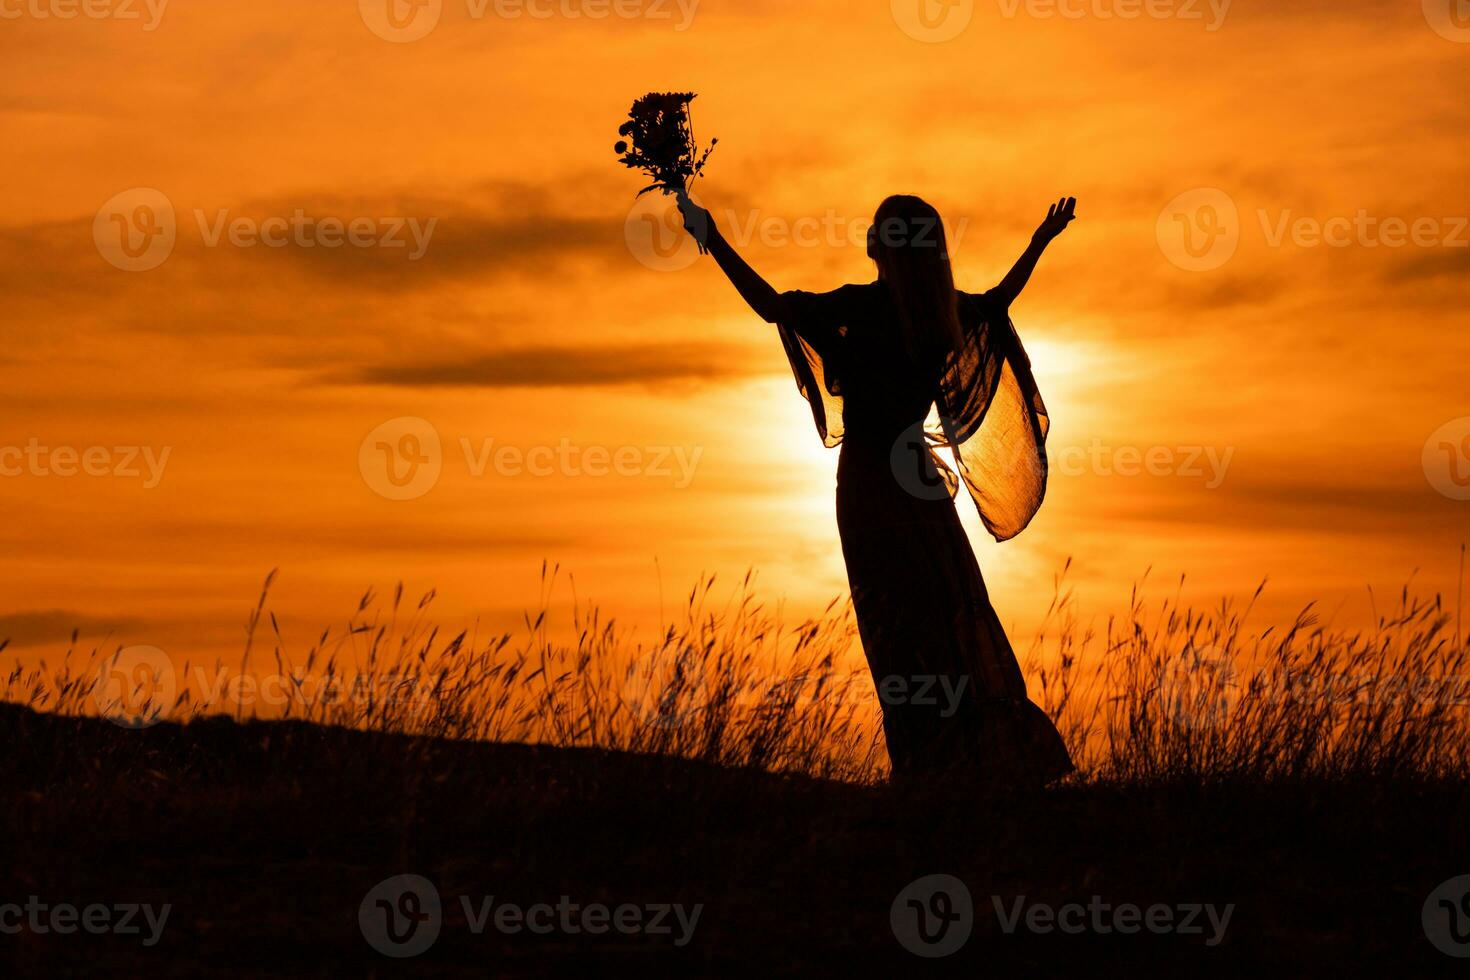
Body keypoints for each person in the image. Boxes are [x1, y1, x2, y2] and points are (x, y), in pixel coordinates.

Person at [676, 189, 1078, 785]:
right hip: (917, 482)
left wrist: (710, 238)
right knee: (947, 611)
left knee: (893, 625)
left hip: (868, 483)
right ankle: (978, 758)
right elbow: (998, 302)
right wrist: (1039, 244)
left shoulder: (858, 310)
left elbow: (769, 306)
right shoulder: (943, 314)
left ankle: (925, 765)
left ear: (876, 247)